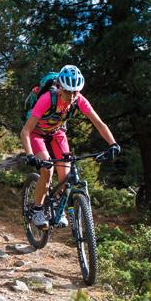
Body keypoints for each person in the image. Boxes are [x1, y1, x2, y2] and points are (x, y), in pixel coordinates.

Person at [20, 65, 120, 228]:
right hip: (36, 134)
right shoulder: (47, 99)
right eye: (68, 91)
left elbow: (99, 124)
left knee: (65, 176)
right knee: (47, 169)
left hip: (57, 134)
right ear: (60, 87)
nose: (72, 96)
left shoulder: (79, 100)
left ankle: (59, 210)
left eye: (76, 91)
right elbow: (25, 131)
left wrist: (113, 144)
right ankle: (37, 209)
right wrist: (30, 155)